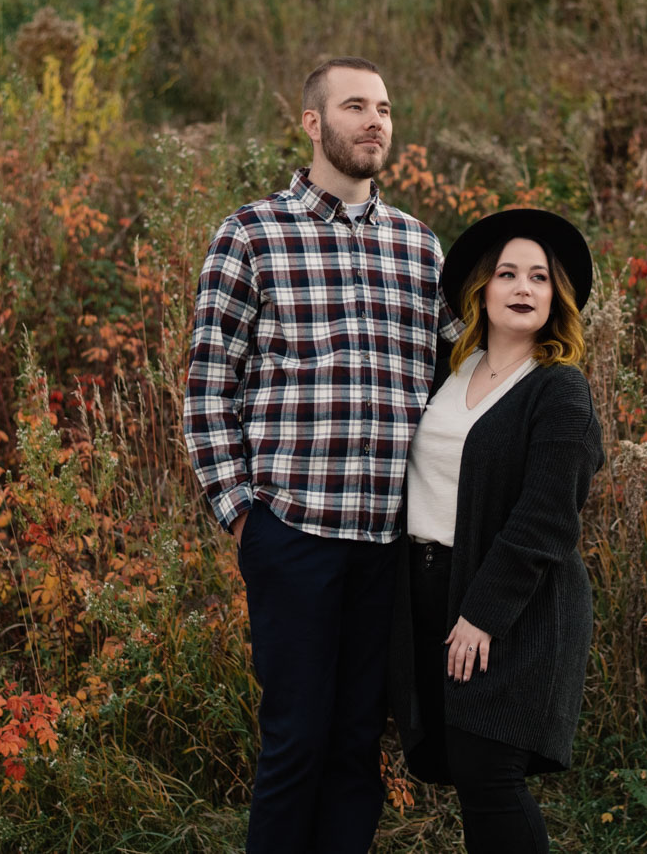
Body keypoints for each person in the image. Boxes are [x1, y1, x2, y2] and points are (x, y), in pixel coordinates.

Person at [182, 56, 458, 854]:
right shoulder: (253, 233)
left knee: (357, 748)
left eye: (385, 106)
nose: (376, 120)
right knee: (296, 741)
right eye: (356, 106)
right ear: (312, 122)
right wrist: (243, 516)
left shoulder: (418, 247)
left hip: (389, 545)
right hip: (293, 534)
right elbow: (207, 383)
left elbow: (458, 381)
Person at [391, 208, 605, 854]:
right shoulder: (447, 374)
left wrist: (483, 614)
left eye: (539, 277)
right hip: (431, 591)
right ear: (482, 289)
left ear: (555, 296)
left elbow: (548, 515)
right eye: (508, 272)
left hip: (516, 608)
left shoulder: (557, 390)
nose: (523, 287)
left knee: (491, 772)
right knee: (462, 769)